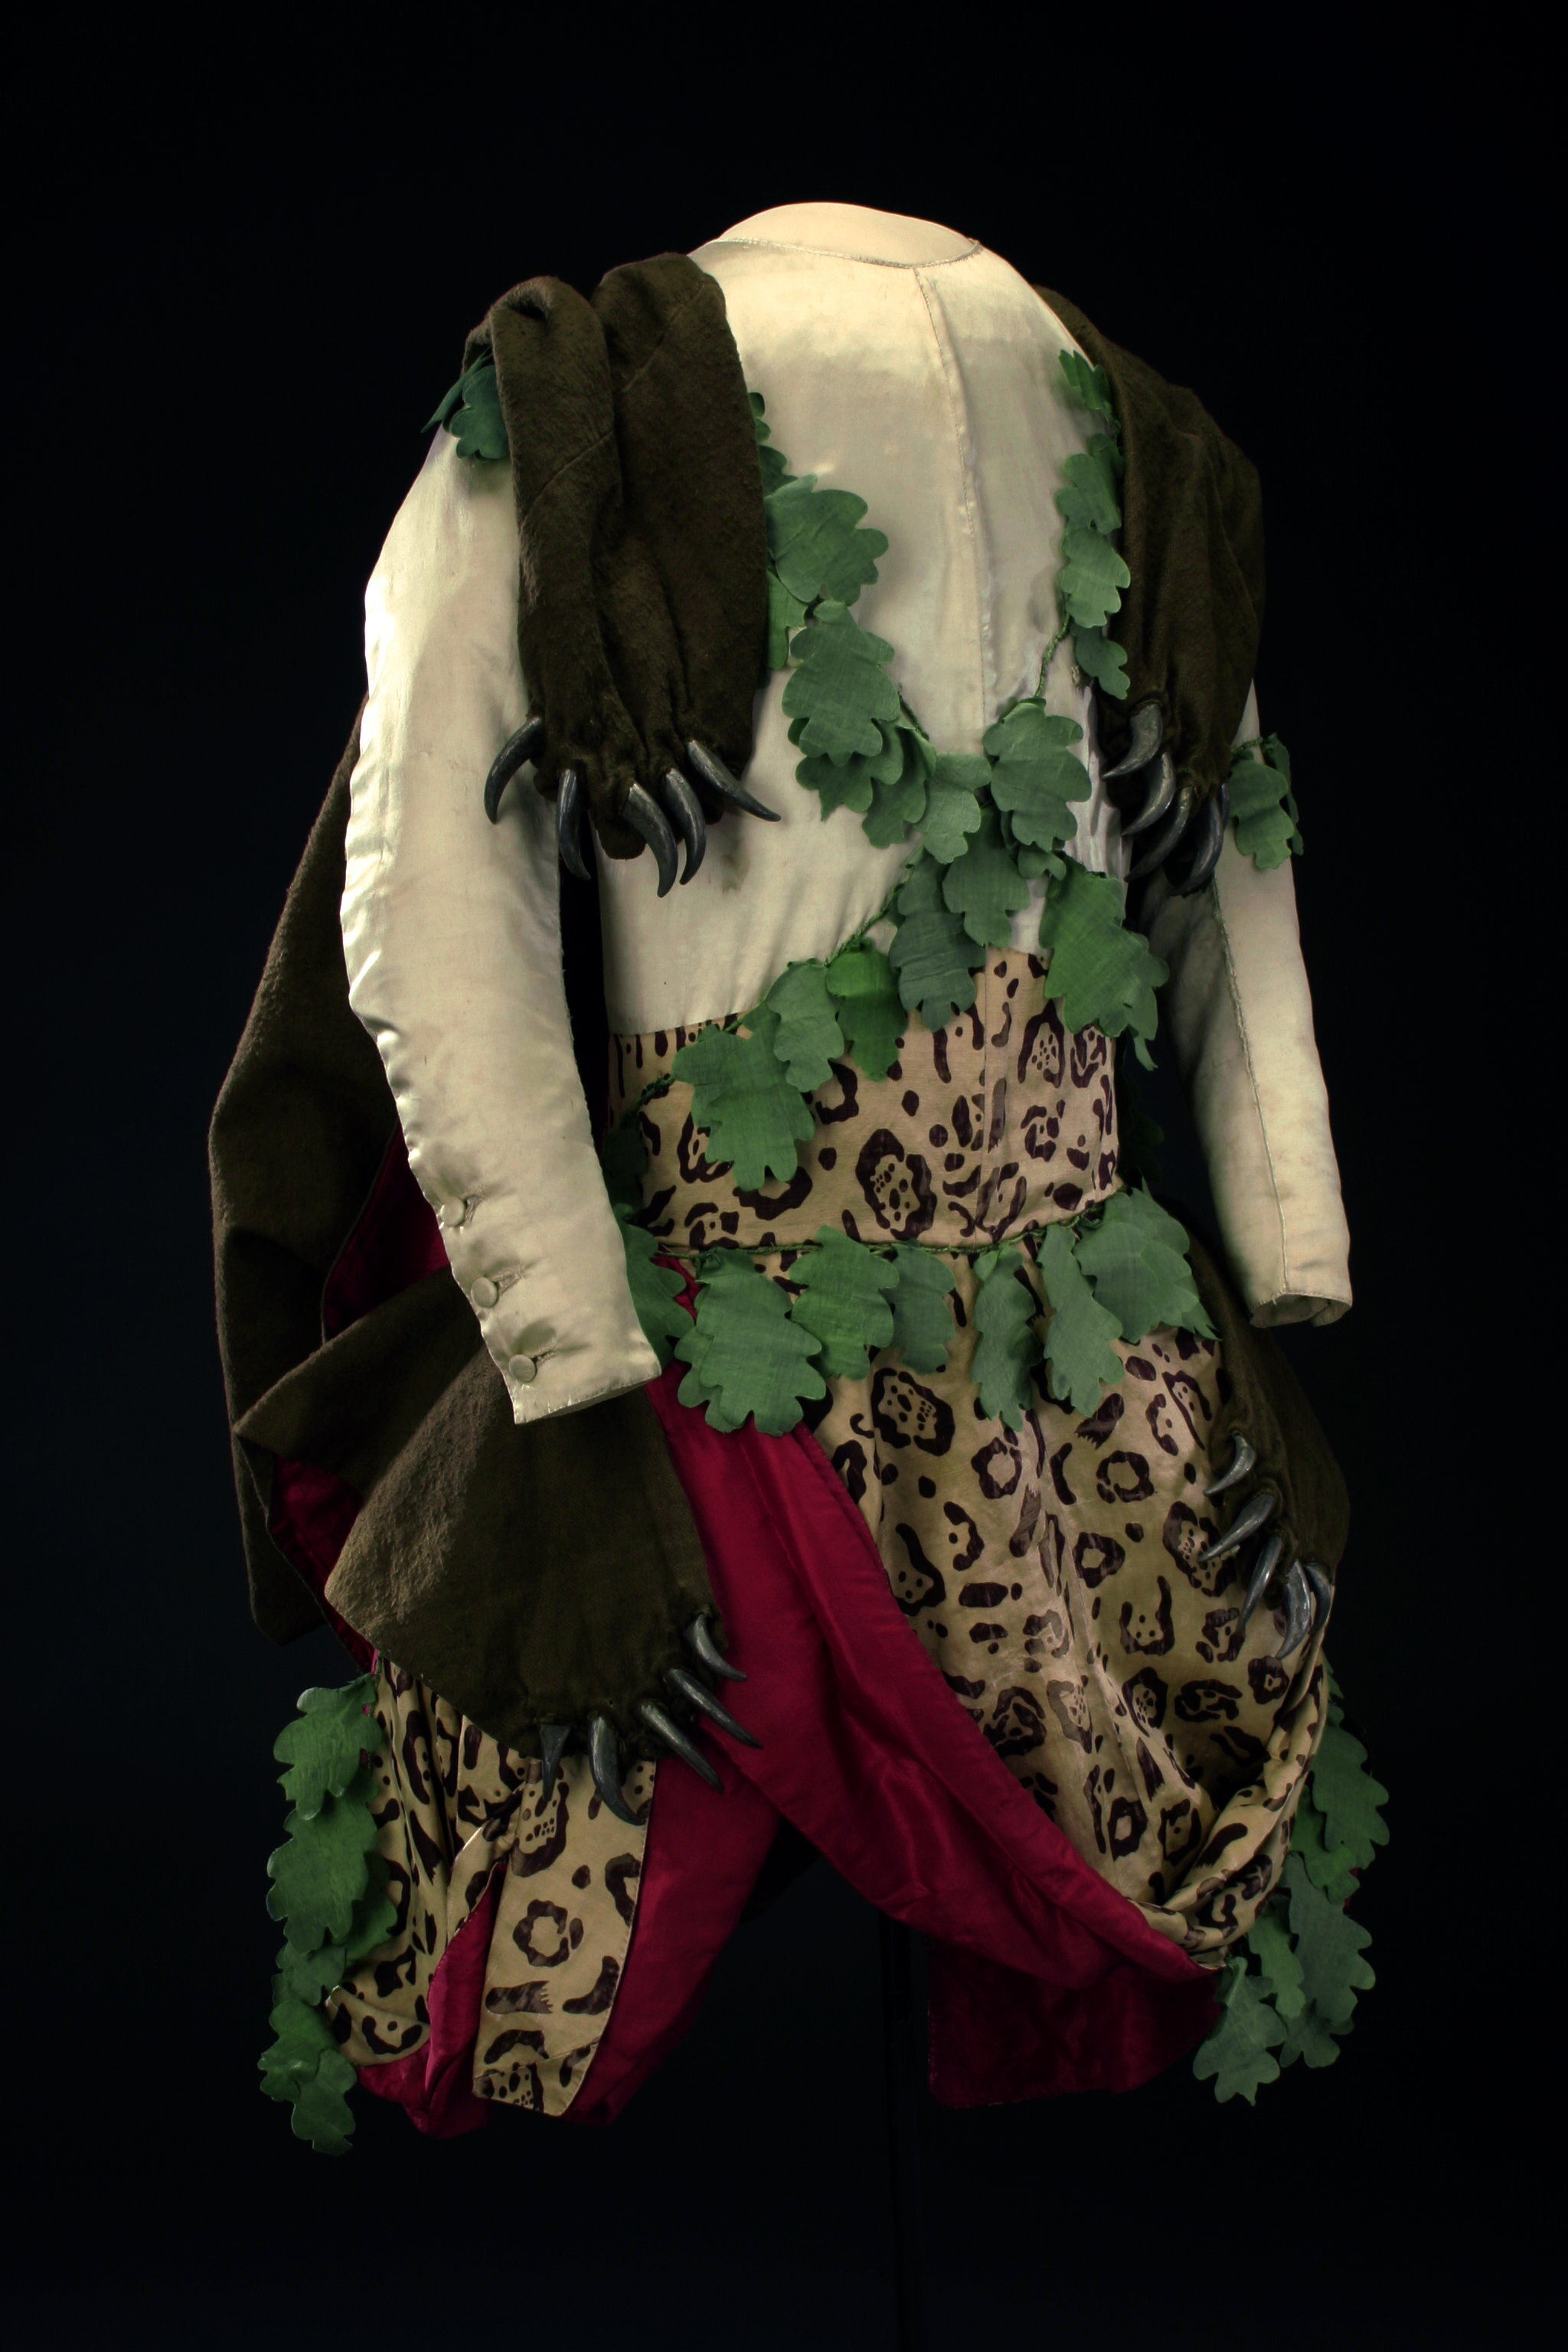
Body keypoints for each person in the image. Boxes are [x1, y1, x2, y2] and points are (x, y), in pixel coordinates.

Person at [214, 201, 1357, 2144]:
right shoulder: (617, 412)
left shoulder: (1138, 444)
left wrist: (561, 1331)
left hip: (1036, 1352)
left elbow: (430, 909)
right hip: (763, 1358)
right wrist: (1283, 1245)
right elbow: (1233, 905)